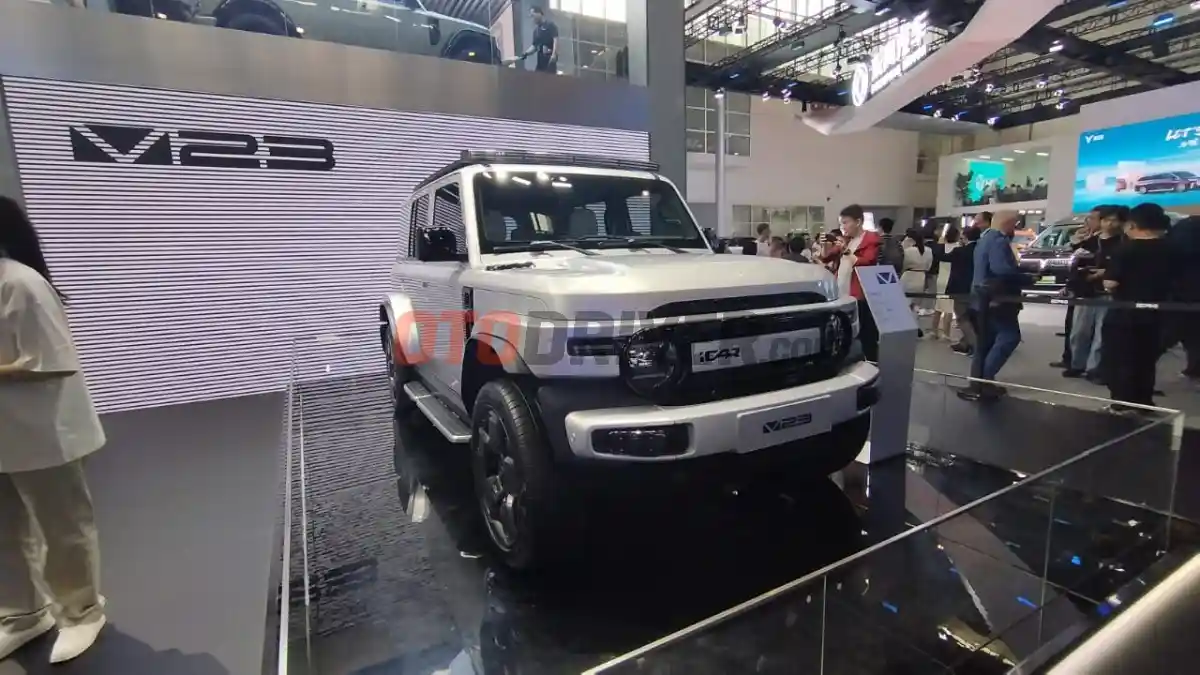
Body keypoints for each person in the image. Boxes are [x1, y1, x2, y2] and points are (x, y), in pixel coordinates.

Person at [0, 197, 107, 664]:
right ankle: (21, 614)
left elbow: (50, 361)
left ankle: (81, 612)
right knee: (4, 531)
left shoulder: (20, 283)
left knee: (62, 529)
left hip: (43, 432)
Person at [1101, 203, 1174, 412]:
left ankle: (1123, 404)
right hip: (1159, 315)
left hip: (1125, 315)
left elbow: (1110, 283)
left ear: (1132, 225)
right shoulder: (1173, 249)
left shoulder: (1125, 250)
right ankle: (1144, 402)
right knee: (1146, 362)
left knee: (1121, 360)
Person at [960, 210, 1033, 401]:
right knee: (1009, 337)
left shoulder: (983, 240)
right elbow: (1002, 269)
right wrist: (1026, 277)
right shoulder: (998, 241)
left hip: (981, 299)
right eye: (1014, 224)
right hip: (997, 300)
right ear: (1008, 223)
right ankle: (984, 378)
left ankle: (978, 382)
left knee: (985, 342)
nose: (1015, 228)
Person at [1064, 205, 1126, 381]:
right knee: (1079, 332)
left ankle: (1094, 368)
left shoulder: (1123, 244)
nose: (1110, 224)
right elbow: (1075, 263)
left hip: (1108, 293)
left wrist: (1104, 273)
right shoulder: (1089, 242)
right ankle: (1077, 364)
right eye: (1107, 220)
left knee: (1101, 334)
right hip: (1086, 292)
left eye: (1114, 220)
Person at [1052, 206, 1103, 369]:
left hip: (1091, 290)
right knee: (1072, 327)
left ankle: (1082, 365)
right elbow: (1075, 260)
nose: (1088, 221)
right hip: (1076, 286)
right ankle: (1070, 359)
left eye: (1093, 218)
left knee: (1085, 331)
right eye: (1088, 218)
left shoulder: (1100, 242)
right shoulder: (1086, 237)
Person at [838, 205, 882, 361]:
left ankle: (872, 362)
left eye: (846, 222)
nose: (843, 227)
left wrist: (846, 251)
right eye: (841, 223)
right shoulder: (848, 240)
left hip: (861, 294)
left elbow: (867, 261)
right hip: (843, 291)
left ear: (858, 222)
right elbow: (826, 257)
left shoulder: (870, 239)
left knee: (866, 332)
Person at [1162, 215, 1200, 381]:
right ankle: (1195, 369)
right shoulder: (1187, 228)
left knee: (1168, 335)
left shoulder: (1182, 230)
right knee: (1194, 336)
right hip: (1188, 293)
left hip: (1180, 294)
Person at [946, 226, 981, 355]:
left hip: (960, 288)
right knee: (973, 318)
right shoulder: (980, 250)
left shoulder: (959, 251)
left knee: (962, 317)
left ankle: (975, 345)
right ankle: (964, 343)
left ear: (965, 236)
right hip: (977, 287)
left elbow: (943, 257)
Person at [506, 6, 559, 73]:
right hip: (540, 61)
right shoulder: (536, 31)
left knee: (550, 76)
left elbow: (555, 39)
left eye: (533, 15)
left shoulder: (550, 25)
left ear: (539, 13)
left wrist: (554, 54)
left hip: (549, 59)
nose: (532, 18)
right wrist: (526, 53)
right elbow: (534, 46)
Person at [931, 226, 962, 341]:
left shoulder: (940, 248)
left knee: (938, 307)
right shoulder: (958, 248)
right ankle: (946, 333)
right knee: (949, 308)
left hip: (941, 278)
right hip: (951, 279)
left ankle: (934, 331)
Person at [901, 227, 933, 335]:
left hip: (908, 276)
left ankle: (906, 326)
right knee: (916, 305)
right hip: (921, 277)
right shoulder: (928, 250)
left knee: (905, 303)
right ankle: (915, 326)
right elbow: (929, 266)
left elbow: (903, 264)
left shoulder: (908, 251)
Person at [920, 222, 944, 317]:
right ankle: (929, 308)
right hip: (934, 272)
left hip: (921, 272)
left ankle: (922, 307)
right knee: (932, 291)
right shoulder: (938, 246)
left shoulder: (921, 245)